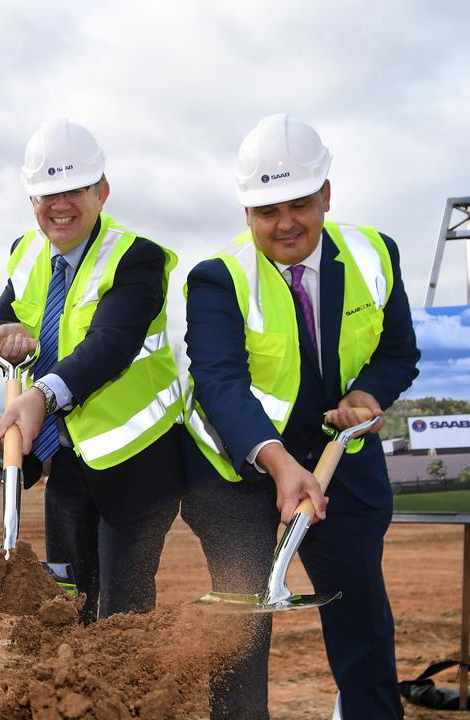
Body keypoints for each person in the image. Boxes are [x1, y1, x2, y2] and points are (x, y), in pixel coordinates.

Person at [181, 114, 420, 719]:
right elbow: (219, 381)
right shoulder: (218, 278)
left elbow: (398, 353)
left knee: (362, 622)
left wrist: (368, 396)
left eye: (299, 203)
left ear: (326, 195)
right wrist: (280, 462)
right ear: (246, 213)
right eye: (267, 210)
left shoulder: (376, 255)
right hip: (240, 473)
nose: (285, 222)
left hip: (344, 471)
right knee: (243, 627)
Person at [0, 118, 186, 623]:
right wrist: (2, 335)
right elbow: (0, 318)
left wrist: (40, 397)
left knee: (122, 616)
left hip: (138, 461)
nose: (59, 206)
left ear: (102, 190)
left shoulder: (136, 257)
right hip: (68, 465)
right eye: (45, 194)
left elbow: (111, 345)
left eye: (73, 190)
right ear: (31, 200)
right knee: (66, 606)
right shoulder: (25, 252)